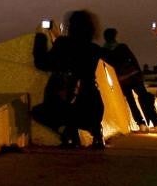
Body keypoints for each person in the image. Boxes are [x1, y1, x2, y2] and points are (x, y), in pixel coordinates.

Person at [33, 10, 106, 149]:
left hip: (66, 106)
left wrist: (40, 36)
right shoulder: (94, 49)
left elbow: (42, 63)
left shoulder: (63, 44)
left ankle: (67, 133)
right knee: (76, 107)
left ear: (70, 26)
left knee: (38, 112)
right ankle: (97, 133)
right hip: (93, 110)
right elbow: (77, 52)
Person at [102, 28, 157, 132]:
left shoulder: (104, 51)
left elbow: (106, 67)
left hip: (121, 80)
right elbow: (133, 60)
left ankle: (141, 123)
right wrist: (139, 73)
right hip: (134, 76)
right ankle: (156, 122)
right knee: (144, 98)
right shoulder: (122, 47)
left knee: (131, 102)